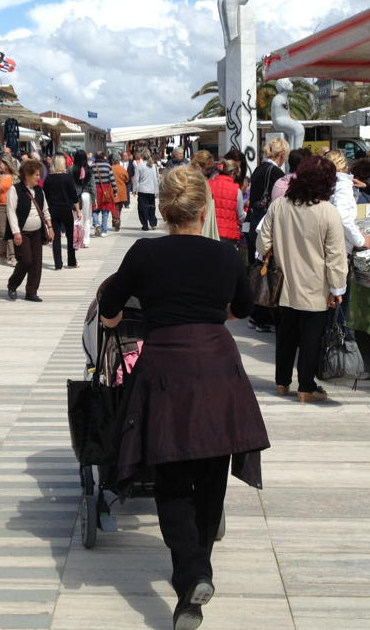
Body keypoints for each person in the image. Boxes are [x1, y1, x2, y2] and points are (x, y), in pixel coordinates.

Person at [99, 167, 269, 630]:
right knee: (211, 475)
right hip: (218, 365)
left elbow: (110, 308)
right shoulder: (226, 254)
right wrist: (212, 313)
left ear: (168, 209)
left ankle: (192, 575)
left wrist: (118, 322)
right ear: (205, 207)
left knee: (172, 477)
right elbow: (244, 309)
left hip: (167, 369)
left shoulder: (144, 253)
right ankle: (194, 582)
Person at [258, 156, 348, 402]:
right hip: (315, 288)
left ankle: (281, 382)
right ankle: (306, 387)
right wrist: (337, 288)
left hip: (283, 285)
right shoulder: (329, 212)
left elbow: (262, 242)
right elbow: (336, 256)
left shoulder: (279, 206)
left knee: (285, 335)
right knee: (310, 339)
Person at [324, 150, 370, 332]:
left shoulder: (325, 183)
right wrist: (360, 240)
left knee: (329, 304)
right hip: (339, 249)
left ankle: (326, 344)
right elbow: (342, 217)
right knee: (338, 303)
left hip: (327, 245)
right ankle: (335, 348)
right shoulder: (342, 185)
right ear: (346, 167)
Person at [247, 138, 289, 333]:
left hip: (253, 222)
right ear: (282, 155)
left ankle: (256, 315)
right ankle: (261, 316)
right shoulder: (276, 173)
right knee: (266, 272)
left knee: (257, 270)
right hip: (264, 225)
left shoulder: (259, 169)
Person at [5, 158, 52, 302]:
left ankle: (31, 292)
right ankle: (12, 285)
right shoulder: (15, 190)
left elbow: (45, 209)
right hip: (22, 232)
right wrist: (16, 232)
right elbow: (11, 212)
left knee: (36, 262)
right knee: (25, 260)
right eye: (36, 174)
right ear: (27, 175)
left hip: (37, 232)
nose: (39, 177)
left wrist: (50, 227)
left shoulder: (39, 190)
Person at [43, 155, 81, 270]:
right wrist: (78, 210)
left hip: (53, 210)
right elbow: (73, 196)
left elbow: (45, 196)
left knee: (56, 238)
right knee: (70, 236)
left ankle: (58, 264)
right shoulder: (67, 178)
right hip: (66, 209)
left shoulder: (48, 178)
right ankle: (71, 261)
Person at [209, 158, 243, 246]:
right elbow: (241, 215)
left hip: (210, 232)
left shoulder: (208, 185)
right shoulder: (236, 190)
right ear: (232, 174)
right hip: (229, 235)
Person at [189, 151, 220, 241]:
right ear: (198, 166)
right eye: (207, 169)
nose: (209, 171)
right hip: (197, 227)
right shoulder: (192, 181)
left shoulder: (202, 181)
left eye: (211, 168)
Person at [71, 150, 97, 246]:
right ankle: (86, 241)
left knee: (77, 218)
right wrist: (95, 199)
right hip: (87, 195)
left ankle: (77, 241)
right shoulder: (89, 169)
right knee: (87, 219)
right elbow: (92, 185)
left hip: (75, 195)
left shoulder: (71, 169)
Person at [0, 155, 18, 266]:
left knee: (13, 231)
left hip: (12, 207)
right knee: (2, 232)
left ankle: (13, 256)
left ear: (6, 164)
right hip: (0, 206)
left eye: (0, 163)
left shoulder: (15, 177)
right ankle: (3, 254)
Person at [133, 149, 160, 230]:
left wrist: (134, 189)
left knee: (142, 208)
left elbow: (136, 179)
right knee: (151, 207)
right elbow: (157, 178)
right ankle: (153, 223)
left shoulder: (139, 166)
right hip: (152, 190)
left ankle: (145, 225)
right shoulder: (154, 167)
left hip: (143, 190)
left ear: (142, 157)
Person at [92, 151, 116, 236]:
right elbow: (112, 180)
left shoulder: (91, 166)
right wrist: (115, 190)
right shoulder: (108, 166)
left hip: (94, 190)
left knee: (94, 209)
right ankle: (104, 231)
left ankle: (96, 223)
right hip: (105, 190)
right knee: (105, 212)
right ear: (103, 157)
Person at [111, 152, 129, 231]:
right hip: (121, 190)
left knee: (114, 207)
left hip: (113, 190)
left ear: (112, 160)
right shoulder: (122, 169)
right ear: (118, 160)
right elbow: (127, 178)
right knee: (119, 207)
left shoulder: (110, 168)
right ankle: (117, 219)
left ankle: (116, 220)